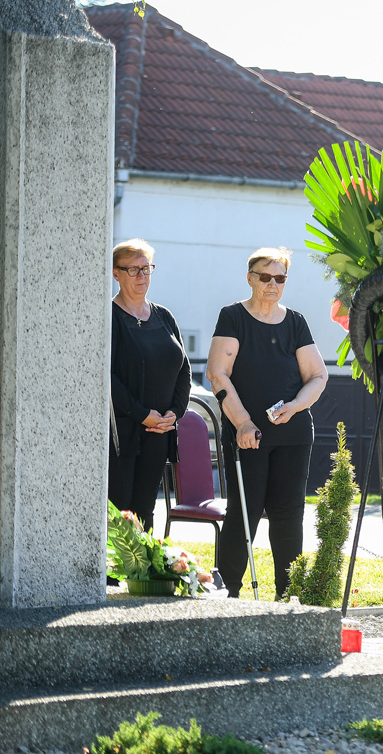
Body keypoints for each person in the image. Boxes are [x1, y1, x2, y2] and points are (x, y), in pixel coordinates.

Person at [207, 247, 328, 599]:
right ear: (250, 278)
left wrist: (296, 405)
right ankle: (227, 592)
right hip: (249, 436)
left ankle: (288, 593)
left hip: (293, 432)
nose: (272, 284)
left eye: (280, 278)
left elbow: (318, 376)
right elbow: (218, 374)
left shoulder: (296, 321)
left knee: (289, 513)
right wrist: (243, 423)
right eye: (265, 277)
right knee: (244, 511)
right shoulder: (233, 317)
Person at [108, 239, 191, 532]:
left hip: (160, 431)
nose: (142, 277)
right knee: (119, 509)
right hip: (122, 432)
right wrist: (142, 413)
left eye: (147, 269)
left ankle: (143, 574)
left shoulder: (164, 316)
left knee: (145, 510)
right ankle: (114, 578)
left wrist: (174, 413)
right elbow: (106, 377)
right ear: (116, 273)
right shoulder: (109, 318)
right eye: (133, 270)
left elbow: (184, 369)